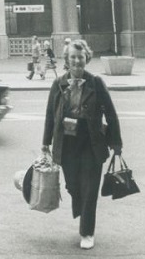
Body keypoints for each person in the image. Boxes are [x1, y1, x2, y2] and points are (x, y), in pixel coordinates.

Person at [42, 39, 122, 250]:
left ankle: (87, 231)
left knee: (89, 189)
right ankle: (82, 209)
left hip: (91, 143)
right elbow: (50, 115)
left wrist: (116, 143)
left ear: (86, 58)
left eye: (80, 57)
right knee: (73, 186)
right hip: (67, 144)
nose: (77, 61)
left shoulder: (96, 83)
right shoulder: (58, 84)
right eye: (73, 57)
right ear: (67, 61)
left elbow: (111, 113)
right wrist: (45, 143)